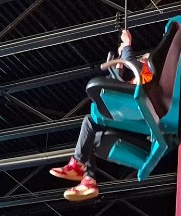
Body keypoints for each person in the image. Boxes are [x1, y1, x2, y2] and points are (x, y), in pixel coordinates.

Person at [49, 29, 150, 202]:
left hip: (142, 124)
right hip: (133, 123)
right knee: (92, 138)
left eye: (142, 60)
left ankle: (77, 164)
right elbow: (118, 84)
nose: (139, 61)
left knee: (90, 121)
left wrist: (127, 45)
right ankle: (88, 180)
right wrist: (118, 66)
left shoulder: (148, 76)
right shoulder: (136, 83)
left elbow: (133, 65)